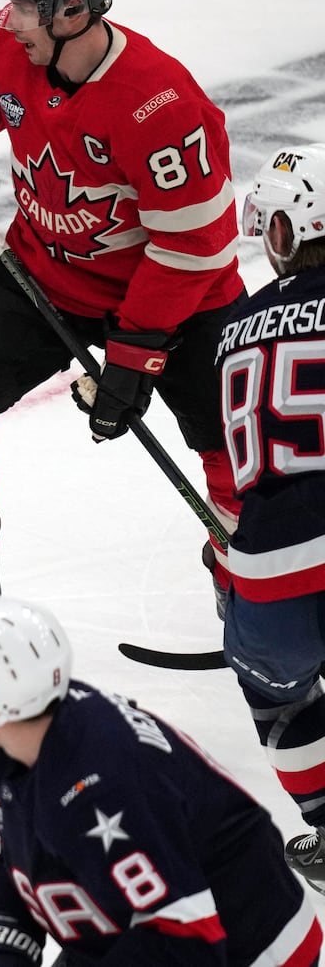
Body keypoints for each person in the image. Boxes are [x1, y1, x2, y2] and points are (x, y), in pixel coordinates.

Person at [0, 0, 244, 647]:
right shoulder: (14, 44)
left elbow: (193, 245)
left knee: (241, 459)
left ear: (73, 11)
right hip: (45, 272)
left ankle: (251, 592)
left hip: (181, 300)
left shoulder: (161, 105)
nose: (6, 17)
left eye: (23, 5)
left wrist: (135, 356)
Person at [0, 597, 322, 966]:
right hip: (156, 936)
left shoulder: (102, 786)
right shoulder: (3, 758)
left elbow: (183, 943)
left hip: (255, 949)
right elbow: (28, 865)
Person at [217, 143, 325, 893]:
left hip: (265, 566)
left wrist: (227, 570)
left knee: (275, 696)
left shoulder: (232, 330)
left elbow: (244, 471)